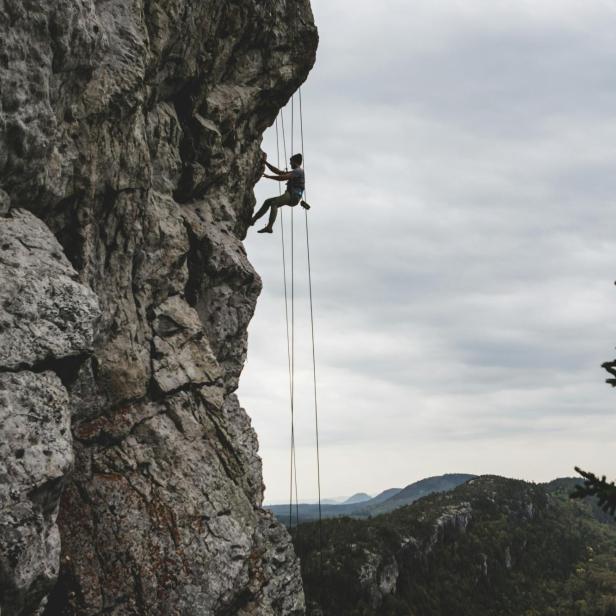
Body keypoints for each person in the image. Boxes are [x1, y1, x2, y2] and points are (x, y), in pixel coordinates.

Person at [251, 153, 308, 233]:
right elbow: (279, 172)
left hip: (293, 196)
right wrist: (265, 162)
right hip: (291, 195)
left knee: (274, 203)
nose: (290, 163)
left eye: (291, 162)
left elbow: (282, 178)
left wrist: (269, 177)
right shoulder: (296, 171)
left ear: (295, 162)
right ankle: (253, 220)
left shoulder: (298, 171)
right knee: (268, 202)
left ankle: (269, 227)